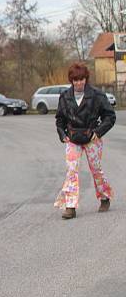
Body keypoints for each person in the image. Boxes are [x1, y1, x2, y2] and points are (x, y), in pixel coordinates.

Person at [54, 62, 115, 219]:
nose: (79, 83)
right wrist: (63, 135)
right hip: (73, 139)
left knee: (96, 170)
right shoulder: (65, 97)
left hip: (92, 139)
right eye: (75, 80)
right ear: (71, 81)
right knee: (72, 171)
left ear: (86, 79)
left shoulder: (97, 96)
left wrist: (98, 132)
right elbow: (59, 119)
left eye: (81, 79)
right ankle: (70, 206)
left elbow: (110, 116)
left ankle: (104, 196)